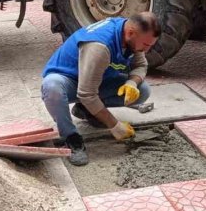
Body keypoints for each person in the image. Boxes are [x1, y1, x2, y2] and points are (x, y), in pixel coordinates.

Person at [41, 13, 159, 166]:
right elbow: (87, 93)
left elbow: (141, 65)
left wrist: (132, 82)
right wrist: (114, 125)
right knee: (52, 88)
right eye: (146, 45)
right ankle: (71, 138)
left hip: (96, 79)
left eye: (150, 45)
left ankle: (86, 110)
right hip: (69, 79)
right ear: (130, 33)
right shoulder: (100, 46)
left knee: (142, 90)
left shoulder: (131, 33)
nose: (147, 50)